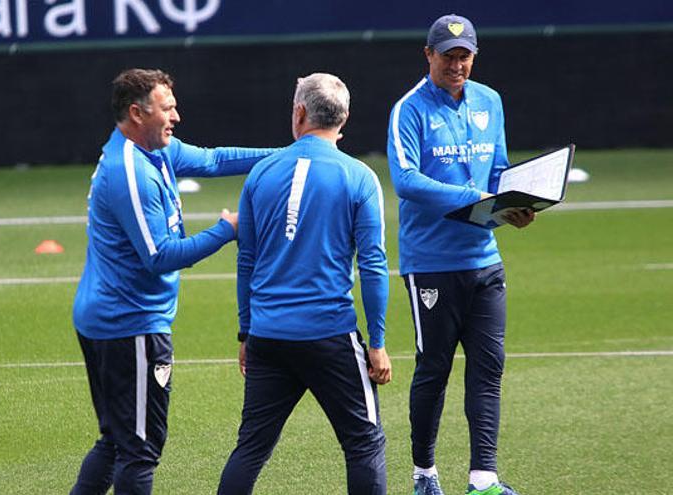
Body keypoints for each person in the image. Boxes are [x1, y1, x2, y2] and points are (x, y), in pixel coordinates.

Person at [70, 68, 278, 495]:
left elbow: (215, 160)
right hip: (129, 325)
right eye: (167, 108)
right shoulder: (130, 171)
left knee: (117, 441)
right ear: (136, 113)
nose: (176, 117)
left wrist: (288, 155)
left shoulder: (152, 151)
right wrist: (226, 229)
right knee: (139, 450)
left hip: (112, 319)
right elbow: (160, 257)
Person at [217, 73, 392, 495]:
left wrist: (246, 331)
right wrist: (377, 342)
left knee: (251, 448)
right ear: (344, 119)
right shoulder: (359, 176)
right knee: (364, 444)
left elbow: (246, 260)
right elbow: (373, 265)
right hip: (329, 335)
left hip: (268, 336)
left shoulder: (261, 173)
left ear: (299, 113)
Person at [386, 14, 534, 495]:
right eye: (447, 56)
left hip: (484, 259)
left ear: (474, 56)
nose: (456, 65)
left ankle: (483, 479)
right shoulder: (408, 109)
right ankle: (424, 474)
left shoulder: (490, 100)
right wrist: (473, 198)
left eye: (464, 56)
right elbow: (406, 181)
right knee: (434, 370)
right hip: (431, 262)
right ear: (428, 55)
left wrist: (515, 204)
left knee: (489, 367)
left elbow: (499, 170)